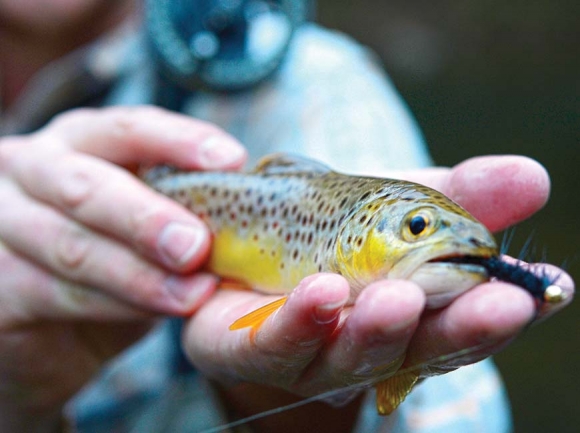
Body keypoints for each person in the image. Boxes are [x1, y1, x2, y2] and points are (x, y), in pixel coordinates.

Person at [0, 1, 573, 432]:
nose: (427, 239)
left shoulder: (314, 90)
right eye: (416, 229)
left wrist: (288, 411)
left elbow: (460, 417)